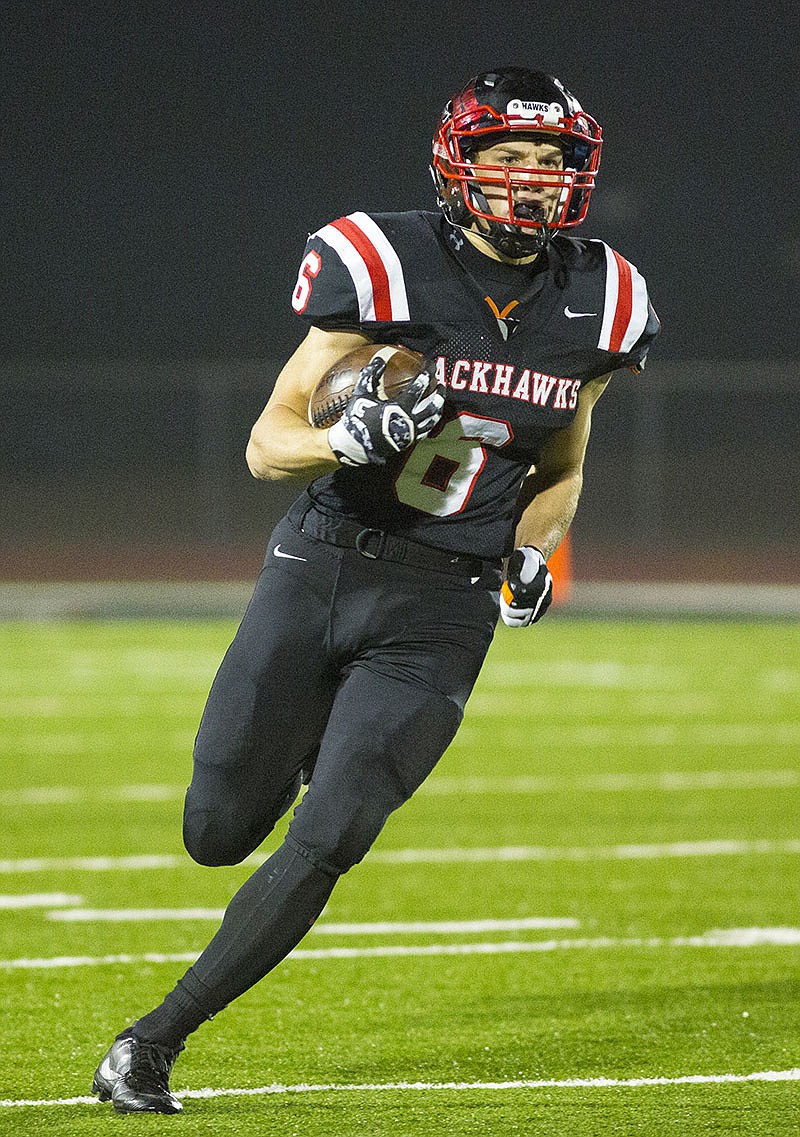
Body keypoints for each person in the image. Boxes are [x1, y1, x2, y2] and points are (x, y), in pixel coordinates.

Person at [92, 65, 660, 1114]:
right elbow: (267, 447)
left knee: (335, 831)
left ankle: (150, 1045)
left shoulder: (602, 297)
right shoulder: (383, 262)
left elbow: (561, 466)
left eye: (551, 161)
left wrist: (532, 551)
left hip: (442, 612)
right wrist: (339, 437)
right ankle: (308, 728)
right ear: (458, 161)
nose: (531, 179)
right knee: (215, 831)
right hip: (324, 564)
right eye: (507, 156)